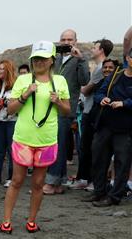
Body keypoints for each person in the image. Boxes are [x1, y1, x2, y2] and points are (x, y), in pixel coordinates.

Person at [0, 41, 70, 233]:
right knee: (17, 180)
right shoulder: (23, 80)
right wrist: (25, 95)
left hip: (46, 140)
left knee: (38, 183)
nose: (39, 62)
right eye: (36, 58)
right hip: (23, 138)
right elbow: (11, 109)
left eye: (43, 58)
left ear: (52, 60)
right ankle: (6, 220)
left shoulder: (60, 81)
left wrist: (58, 102)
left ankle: (31, 221)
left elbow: (67, 111)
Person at [83, 48, 132, 206]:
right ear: (127, 58)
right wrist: (102, 98)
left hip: (125, 129)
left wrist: (124, 103)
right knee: (98, 158)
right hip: (105, 125)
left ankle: (114, 196)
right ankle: (99, 192)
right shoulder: (115, 76)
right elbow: (99, 93)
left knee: (122, 162)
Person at [42, 29, 89, 195]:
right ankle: (59, 183)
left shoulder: (80, 60)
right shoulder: (56, 58)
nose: (66, 42)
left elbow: (85, 81)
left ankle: (51, 181)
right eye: (63, 39)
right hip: (49, 108)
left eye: (70, 39)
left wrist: (81, 59)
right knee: (55, 145)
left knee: (58, 146)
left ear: (75, 41)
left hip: (65, 108)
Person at [72, 38, 114, 190]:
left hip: (92, 111)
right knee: (86, 146)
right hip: (89, 110)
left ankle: (89, 180)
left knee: (89, 147)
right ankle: (85, 178)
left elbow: (85, 89)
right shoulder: (98, 67)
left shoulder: (101, 68)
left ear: (101, 49)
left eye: (95, 47)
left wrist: (78, 84)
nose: (92, 49)